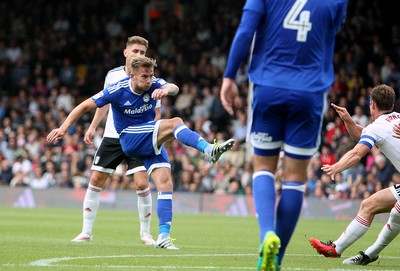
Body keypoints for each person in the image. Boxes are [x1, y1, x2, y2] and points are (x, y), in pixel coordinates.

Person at [47, 56, 235, 250]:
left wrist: (165, 89)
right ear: (132, 75)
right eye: (144, 76)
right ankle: (208, 149)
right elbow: (85, 105)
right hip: (129, 138)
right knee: (176, 122)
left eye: (151, 75)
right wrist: (63, 129)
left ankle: (163, 236)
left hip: (148, 139)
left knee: (165, 182)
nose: (149, 80)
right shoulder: (117, 89)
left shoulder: (154, 84)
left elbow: (174, 87)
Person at [219, 0, 348, 270]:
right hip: (310, 91)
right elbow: (332, 29)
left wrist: (229, 76)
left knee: (263, 168)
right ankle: (276, 258)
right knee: (295, 178)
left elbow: (245, 31)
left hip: (268, 86)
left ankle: (267, 233)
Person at [71, 36, 160, 245]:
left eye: (142, 52)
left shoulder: (149, 78)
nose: (139, 55)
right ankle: (86, 232)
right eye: (135, 51)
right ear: (125, 52)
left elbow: (157, 112)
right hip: (113, 136)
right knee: (95, 181)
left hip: (138, 137)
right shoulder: (112, 76)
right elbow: (103, 102)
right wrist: (93, 126)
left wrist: (152, 134)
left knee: (141, 183)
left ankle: (145, 233)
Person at [309, 84, 400, 266]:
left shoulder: (378, 127)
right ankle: (335, 248)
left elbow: (357, 153)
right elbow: (362, 134)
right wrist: (348, 121)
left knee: (397, 213)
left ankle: (369, 255)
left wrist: (336, 167)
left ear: (372, 104)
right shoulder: (392, 121)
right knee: (369, 204)